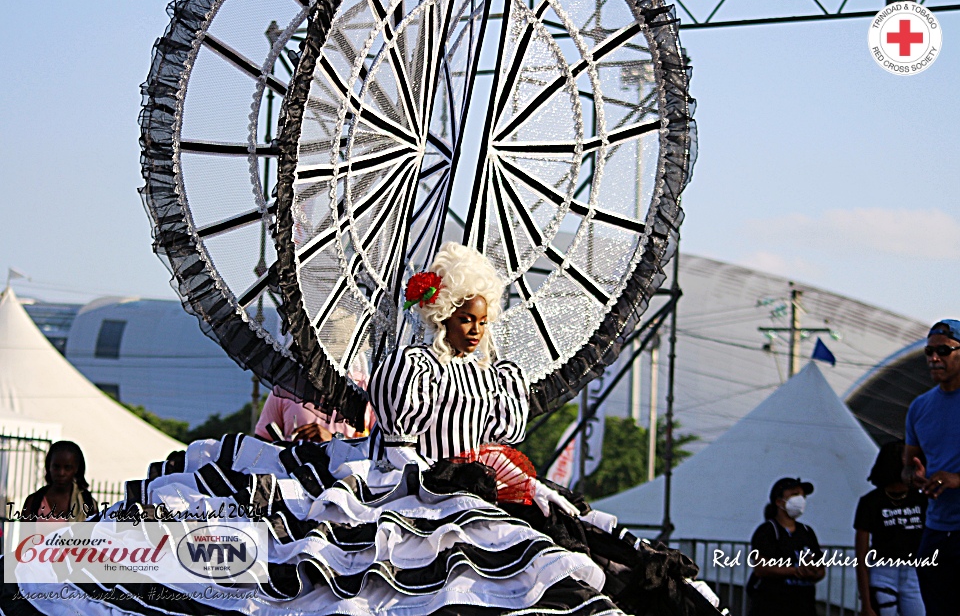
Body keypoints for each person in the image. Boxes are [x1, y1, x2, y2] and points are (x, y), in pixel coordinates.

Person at [1, 243, 719, 615]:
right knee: (350, 569)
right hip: (416, 479)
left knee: (567, 559)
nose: (475, 328)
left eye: (482, 318)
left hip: (489, 481)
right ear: (441, 315)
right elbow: (407, 425)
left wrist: (493, 408)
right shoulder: (408, 366)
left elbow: (504, 421)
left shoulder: (491, 372)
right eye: (465, 318)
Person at [902, 319, 960, 616]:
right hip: (936, 530)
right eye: (929, 351)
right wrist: (916, 477)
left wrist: (956, 479)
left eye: (944, 350)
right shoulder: (919, 407)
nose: (934, 358)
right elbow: (908, 467)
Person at [854, 441, 926, 616]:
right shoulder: (871, 502)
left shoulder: (922, 499)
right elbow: (861, 555)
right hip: (883, 571)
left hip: (914, 572)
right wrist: (866, 602)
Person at [746, 477, 825, 616]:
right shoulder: (768, 531)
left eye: (803, 496)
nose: (800, 500)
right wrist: (795, 571)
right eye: (795, 495)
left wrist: (813, 572)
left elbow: (820, 569)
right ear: (778, 502)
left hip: (803, 605)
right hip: (771, 606)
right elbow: (760, 568)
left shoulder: (807, 532)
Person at [21, 440, 98, 522]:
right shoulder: (34, 502)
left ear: (76, 469)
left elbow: (95, 532)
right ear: (49, 466)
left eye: (67, 468)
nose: (61, 473)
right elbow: (25, 534)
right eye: (56, 467)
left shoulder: (87, 504)